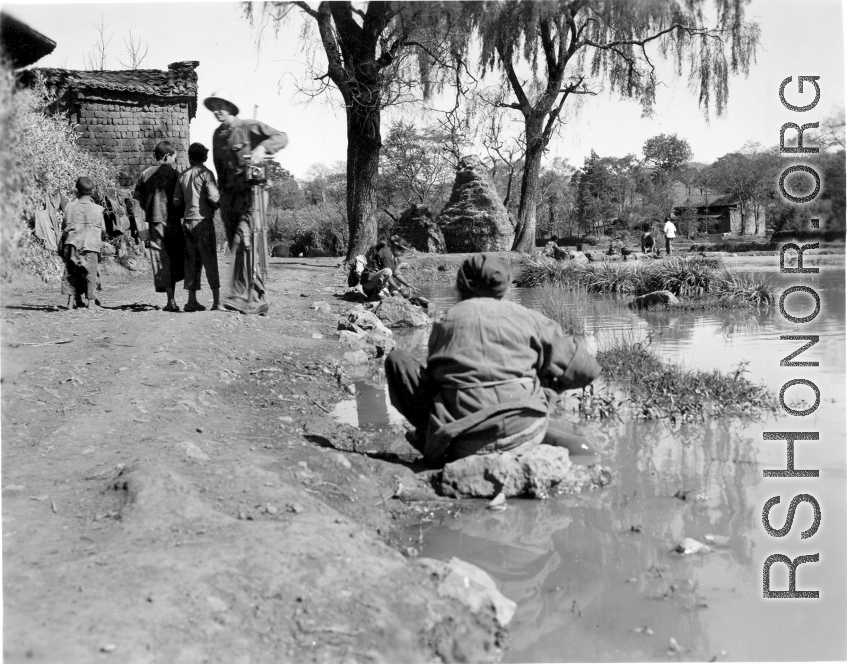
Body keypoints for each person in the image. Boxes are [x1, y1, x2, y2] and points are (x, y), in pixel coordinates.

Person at [385, 253, 601, 466]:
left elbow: (436, 382)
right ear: (505, 286)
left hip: (463, 442)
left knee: (398, 360)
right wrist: (548, 390)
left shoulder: (446, 321)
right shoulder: (529, 317)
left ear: (460, 284)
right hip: (527, 432)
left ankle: (431, 440)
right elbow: (587, 369)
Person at [205, 90, 288, 315]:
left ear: (231, 107)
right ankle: (252, 297)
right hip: (229, 198)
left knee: (246, 242)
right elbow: (220, 169)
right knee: (238, 246)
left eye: (221, 105)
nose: (217, 110)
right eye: (213, 107)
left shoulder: (248, 126)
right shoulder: (217, 135)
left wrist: (261, 148)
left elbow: (281, 137)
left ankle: (248, 297)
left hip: (252, 195)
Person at [134, 141, 185, 311]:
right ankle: (173, 299)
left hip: (155, 222)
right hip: (173, 221)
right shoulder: (176, 175)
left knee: (161, 258)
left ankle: (170, 299)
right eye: (174, 158)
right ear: (166, 156)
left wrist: (150, 209)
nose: (175, 161)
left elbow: (139, 200)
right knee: (174, 258)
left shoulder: (145, 175)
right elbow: (182, 200)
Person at [173, 142, 221, 312]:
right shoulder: (206, 174)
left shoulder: (182, 175)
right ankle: (216, 302)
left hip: (187, 222)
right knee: (210, 261)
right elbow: (215, 198)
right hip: (203, 222)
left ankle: (191, 300)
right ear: (204, 157)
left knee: (191, 262)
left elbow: (176, 201)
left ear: (190, 156)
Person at [60, 177, 106, 310]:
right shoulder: (98, 209)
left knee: (71, 273)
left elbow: (64, 226)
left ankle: (70, 302)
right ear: (92, 192)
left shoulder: (69, 207)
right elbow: (103, 229)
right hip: (90, 245)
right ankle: (91, 302)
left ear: (76, 191)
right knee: (90, 273)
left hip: (73, 244)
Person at [360, 236, 415, 300]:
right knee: (388, 271)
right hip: (368, 283)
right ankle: (378, 293)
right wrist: (399, 289)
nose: (403, 254)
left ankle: (386, 292)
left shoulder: (393, 257)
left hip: (372, 282)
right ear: (394, 248)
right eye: (402, 251)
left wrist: (408, 285)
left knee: (395, 280)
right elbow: (387, 275)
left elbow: (396, 273)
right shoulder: (387, 253)